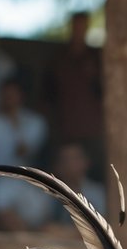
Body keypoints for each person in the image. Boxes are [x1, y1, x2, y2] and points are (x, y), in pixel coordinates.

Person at [44, 12, 104, 162]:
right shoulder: (59, 58)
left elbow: (104, 92)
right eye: (76, 26)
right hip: (65, 127)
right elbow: (48, 93)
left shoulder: (96, 58)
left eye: (82, 26)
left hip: (92, 129)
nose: (79, 30)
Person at [0, 78, 46, 167]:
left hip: (25, 177)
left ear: (22, 95)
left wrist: (14, 122)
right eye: (6, 95)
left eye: (12, 95)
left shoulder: (35, 121)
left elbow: (23, 152)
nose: (9, 98)